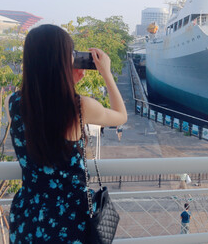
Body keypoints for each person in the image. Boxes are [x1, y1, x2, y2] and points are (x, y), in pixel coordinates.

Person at [7, 24, 128, 243]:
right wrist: (106, 73)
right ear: (63, 61)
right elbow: (120, 115)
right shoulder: (79, 107)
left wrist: (65, 82)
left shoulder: (14, 103)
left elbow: (42, 120)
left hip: (28, 215)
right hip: (70, 220)